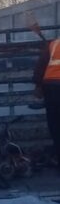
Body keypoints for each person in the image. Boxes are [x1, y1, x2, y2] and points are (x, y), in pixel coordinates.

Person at [34, 35, 60, 167]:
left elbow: (39, 68)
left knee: (55, 124)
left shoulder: (53, 44)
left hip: (51, 87)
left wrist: (38, 86)